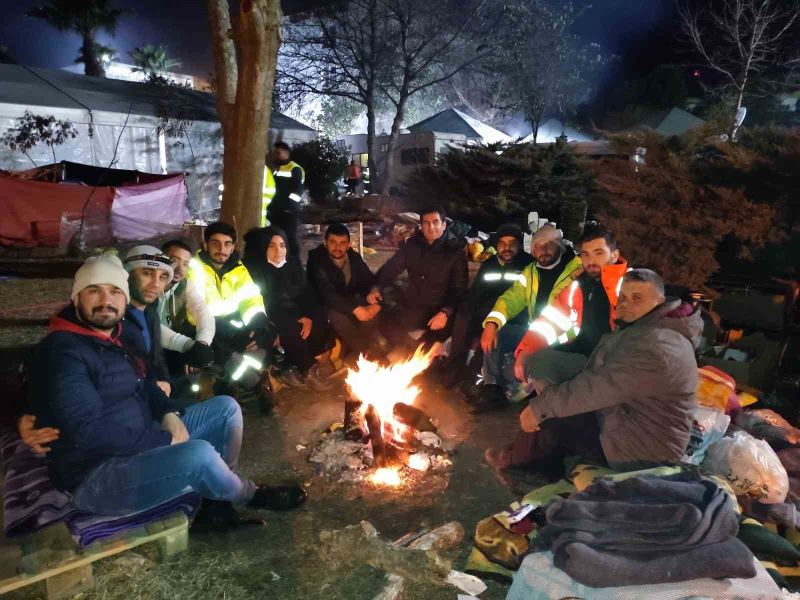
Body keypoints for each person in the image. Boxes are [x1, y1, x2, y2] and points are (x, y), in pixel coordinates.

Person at [26, 254, 306, 525]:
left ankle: (217, 500)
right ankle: (248, 495)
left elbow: (146, 384)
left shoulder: (121, 335)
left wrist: (167, 414)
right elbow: (88, 431)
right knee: (198, 454)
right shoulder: (65, 350)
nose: (106, 301)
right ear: (76, 298)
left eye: (115, 291)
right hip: (97, 475)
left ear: (124, 298)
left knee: (226, 409)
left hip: (140, 436)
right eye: (93, 291)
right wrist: (162, 438)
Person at [485, 269, 702, 482]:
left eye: (637, 298)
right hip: (627, 416)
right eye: (622, 297)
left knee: (554, 418)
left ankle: (518, 463)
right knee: (550, 376)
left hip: (642, 450)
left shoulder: (658, 347)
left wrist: (541, 407)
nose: (626, 304)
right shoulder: (646, 328)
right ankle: (537, 451)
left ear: (660, 301)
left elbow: (599, 386)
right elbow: (601, 373)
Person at [469, 224, 583, 411]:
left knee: (515, 375)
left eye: (549, 245)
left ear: (560, 247)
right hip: (533, 332)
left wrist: (527, 350)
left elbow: (561, 319)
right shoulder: (531, 271)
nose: (543, 250)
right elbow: (510, 299)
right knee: (498, 334)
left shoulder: (576, 272)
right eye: (538, 246)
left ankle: (529, 392)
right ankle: (492, 388)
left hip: (562, 340)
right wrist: (492, 324)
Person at [513, 224, 628, 391]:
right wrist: (526, 351)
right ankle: (552, 404)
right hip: (583, 357)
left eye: (598, 253)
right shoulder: (579, 285)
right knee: (537, 362)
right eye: (585, 254)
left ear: (614, 255)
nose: (591, 261)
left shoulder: (631, 284)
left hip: (614, 363)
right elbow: (551, 320)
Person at [188, 221, 274, 411]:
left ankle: (237, 382)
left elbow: (250, 299)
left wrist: (256, 326)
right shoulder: (194, 268)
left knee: (262, 334)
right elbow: (196, 312)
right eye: (215, 243)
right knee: (223, 346)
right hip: (203, 326)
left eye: (227, 244)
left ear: (233, 246)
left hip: (232, 323)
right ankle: (253, 384)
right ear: (205, 245)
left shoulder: (238, 268)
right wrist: (234, 334)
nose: (222, 249)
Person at [243, 226, 334, 390]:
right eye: (271, 246)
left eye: (282, 245)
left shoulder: (292, 265)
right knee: (289, 323)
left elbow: (306, 293)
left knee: (320, 314)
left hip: (294, 310)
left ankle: (302, 363)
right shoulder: (254, 270)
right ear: (263, 247)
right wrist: (295, 316)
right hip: (269, 316)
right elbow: (265, 303)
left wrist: (308, 315)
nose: (278, 251)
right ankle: (306, 369)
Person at [369, 205, 468, 356]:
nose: (431, 227)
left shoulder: (455, 251)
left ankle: (424, 348)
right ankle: (415, 347)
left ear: (443, 225)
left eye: (435, 222)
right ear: (421, 226)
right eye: (426, 223)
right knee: (385, 323)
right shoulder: (412, 245)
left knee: (437, 337)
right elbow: (391, 268)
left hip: (439, 308)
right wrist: (377, 287)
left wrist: (445, 312)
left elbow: (459, 288)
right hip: (414, 306)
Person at [444, 223, 533, 389]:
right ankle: (455, 366)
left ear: (520, 245)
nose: (507, 248)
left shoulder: (528, 265)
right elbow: (476, 292)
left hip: (512, 316)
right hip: (486, 310)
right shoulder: (489, 263)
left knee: (492, 333)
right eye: (502, 243)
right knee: (463, 314)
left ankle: (475, 375)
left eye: (512, 243)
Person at [307, 223, 384, 362]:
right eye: (333, 242)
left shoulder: (354, 258)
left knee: (372, 309)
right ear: (325, 243)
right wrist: (355, 308)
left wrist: (374, 292)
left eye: (342, 243)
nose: (337, 247)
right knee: (336, 315)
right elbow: (327, 293)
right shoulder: (316, 261)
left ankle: (355, 353)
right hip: (324, 305)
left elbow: (369, 279)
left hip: (350, 300)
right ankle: (368, 352)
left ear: (348, 245)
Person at [121, 245, 177, 397]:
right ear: (127, 274)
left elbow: (157, 358)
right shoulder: (115, 316)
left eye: (162, 277)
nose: (156, 284)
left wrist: (166, 382)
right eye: (147, 273)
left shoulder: (150, 312)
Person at [158, 240, 215, 376]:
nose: (180, 269)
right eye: (173, 260)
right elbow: (148, 324)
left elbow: (202, 311)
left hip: (170, 344)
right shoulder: (149, 285)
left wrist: (202, 344)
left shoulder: (184, 284)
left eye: (185, 264)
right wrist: (189, 346)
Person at [266, 141, 305, 256]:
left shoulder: (295, 169)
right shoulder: (278, 169)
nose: (276, 156)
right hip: (276, 211)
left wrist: (289, 207)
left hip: (288, 213)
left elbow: (297, 192)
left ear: (287, 153)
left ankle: (294, 261)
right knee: (278, 238)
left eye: (279, 153)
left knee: (290, 239)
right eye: (275, 153)